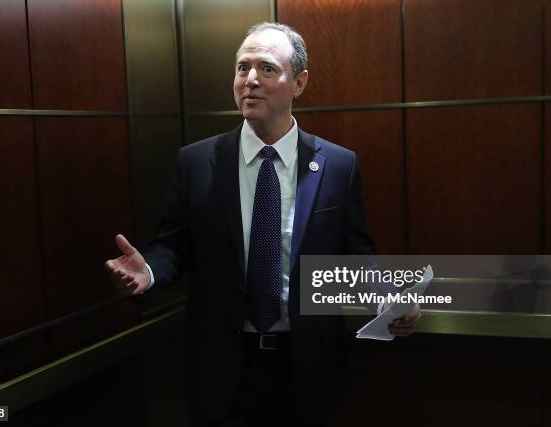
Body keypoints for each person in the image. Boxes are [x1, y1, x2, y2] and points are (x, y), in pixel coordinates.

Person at [105, 22, 420, 427]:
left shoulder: (338, 165)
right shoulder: (198, 162)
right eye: (242, 68)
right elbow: (174, 246)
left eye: (267, 69)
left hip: (306, 365)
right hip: (223, 368)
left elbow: (356, 255)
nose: (250, 79)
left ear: (299, 82)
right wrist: (148, 270)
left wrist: (386, 299)